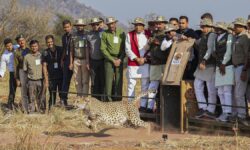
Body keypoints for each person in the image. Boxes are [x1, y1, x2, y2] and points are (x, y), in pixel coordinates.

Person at [125, 17, 151, 112]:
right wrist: (136, 58)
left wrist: (145, 59)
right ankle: (130, 106)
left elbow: (151, 48)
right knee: (131, 85)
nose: (137, 27)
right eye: (136, 25)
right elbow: (127, 49)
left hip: (145, 62)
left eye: (139, 25)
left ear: (143, 26)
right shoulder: (129, 35)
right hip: (133, 63)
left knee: (145, 85)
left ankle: (143, 106)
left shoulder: (149, 34)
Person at [194, 19, 217, 119]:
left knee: (210, 87)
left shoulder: (212, 35)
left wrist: (204, 60)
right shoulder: (204, 36)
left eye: (206, 26)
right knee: (197, 84)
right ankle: (203, 107)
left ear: (210, 26)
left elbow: (210, 49)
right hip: (203, 65)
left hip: (209, 64)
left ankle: (211, 110)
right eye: (202, 27)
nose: (204, 28)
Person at [100, 17, 126, 101]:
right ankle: (109, 101)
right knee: (108, 82)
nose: (111, 25)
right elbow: (103, 48)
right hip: (109, 59)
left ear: (115, 23)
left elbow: (124, 48)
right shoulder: (105, 34)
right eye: (109, 24)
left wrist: (120, 59)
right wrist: (112, 60)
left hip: (119, 59)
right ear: (107, 25)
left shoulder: (121, 32)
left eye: (113, 23)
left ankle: (118, 101)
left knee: (119, 81)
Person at [213, 22, 234, 122]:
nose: (217, 29)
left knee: (227, 90)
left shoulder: (229, 36)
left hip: (227, 66)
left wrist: (224, 63)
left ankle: (228, 112)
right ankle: (224, 112)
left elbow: (229, 51)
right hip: (219, 66)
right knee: (220, 91)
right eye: (216, 27)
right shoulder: (216, 37)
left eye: (219, 27)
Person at [146, 16, 168, 113]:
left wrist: (158, 42)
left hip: (164, 63)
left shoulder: (167, 34)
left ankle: (165, 109)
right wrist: (151, 41)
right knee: (152, 87)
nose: (158, 25)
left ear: (164, 24)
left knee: (166, 87)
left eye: (160, 23)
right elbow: (147, 47)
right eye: (157, 23)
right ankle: (150, 108)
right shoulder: (153, 34)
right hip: (155, 63)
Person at [231, 18, 249, 125]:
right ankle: (238, 114)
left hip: (241, 67)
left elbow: (247, 55)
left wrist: (245, 70)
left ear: (242, 27)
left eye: (237, 25)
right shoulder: (237, 37)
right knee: (235, 93)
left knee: (239, 93)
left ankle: (242, 116)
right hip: (235, 67)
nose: (235, 27)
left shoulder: (245, 38)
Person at [42, 35, 63, 108]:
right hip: (51, 77)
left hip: (61, 76)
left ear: (53, 41)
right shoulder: (45, 52)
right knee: (52, 94)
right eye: (48, 42)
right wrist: (46, 80)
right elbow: (44, 66)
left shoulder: (60, 49)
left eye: (51, 41)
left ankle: (62, 108)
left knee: (62, 94)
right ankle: (51, 109)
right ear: (46, 43)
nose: (50, 43)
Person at [23, 40, 44, 113]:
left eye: (35, 46)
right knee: (31, 97)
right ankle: (31, 111)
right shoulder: (26, 57)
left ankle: (41, 110)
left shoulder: (42, 56)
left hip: (40, 80)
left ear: (38, 46)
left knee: (41, 97)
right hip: (31, 80)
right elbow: (25, 70)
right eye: (32, 46)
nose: (34, 48)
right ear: (30, 47)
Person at [87, 17, 105, 100]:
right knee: (94, 82)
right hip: (93, 61)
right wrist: (87, 62)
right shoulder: (89, 35)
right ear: (91, 25)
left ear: (99, 24)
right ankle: (94, 100)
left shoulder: (103, 33)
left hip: (102, 61)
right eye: (93, 25)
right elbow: (87, 49)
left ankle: (103, 101)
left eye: (97, 24)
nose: (95, 26)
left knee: (102, 81)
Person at [71, 19, 90, 98]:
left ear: (83, 26)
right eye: (78, 25)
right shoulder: (73, 35)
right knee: (77, 80)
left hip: (85, 59)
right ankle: (79, 96)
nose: (80, 27)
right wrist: (71, 62)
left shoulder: (87, 34)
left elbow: (89, 48)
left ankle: (85, 97)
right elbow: (71, 49)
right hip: (76, 59)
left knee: (85, 80)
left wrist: (88, 62)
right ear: (76, 26)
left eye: (81, 25)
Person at [177, 16, 199, 80]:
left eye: (183, 23)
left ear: (187, 23)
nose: (181, 25)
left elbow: (197, 42)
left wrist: (188, 39)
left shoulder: (192, 32)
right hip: (178, 60)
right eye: (180, 23)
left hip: (189, 60)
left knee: (189, 78)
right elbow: (173, 36)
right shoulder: (176, 32)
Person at [14, 34, 30, 113]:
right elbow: (16, 66)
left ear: (25, 41)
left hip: (30, 72)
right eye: (19, 41)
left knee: (31, 90)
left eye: (22, 40)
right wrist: (17, 79)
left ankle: (31, 107)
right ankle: (24, 108)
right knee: (23, 91)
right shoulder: (16, 52)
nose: (21, 42)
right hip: (22, 72)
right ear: (18, 42)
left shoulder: (30, 49)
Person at [0, 38, 16, 110]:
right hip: (12, 73)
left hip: (21, 71)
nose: (9, 47)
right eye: (7, 46)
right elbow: (3, 67)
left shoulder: (17, 47)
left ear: (12, 44)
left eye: (10, 45)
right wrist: (1, 75)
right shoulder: (4, 56)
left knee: (25, 89)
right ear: (5, 46)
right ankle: (10, 106)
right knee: (12, 90)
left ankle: (26, 104)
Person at [60, 20, 73, 106]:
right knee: (65, 80)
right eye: (65, 27)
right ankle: (63, 99)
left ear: (71, 26)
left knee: (78, 82)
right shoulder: (64, 37)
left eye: (68, 27)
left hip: (75, 60)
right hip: (66, 59)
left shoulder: (75, 36)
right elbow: (64, 49)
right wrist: (62, 59)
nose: (66, 29)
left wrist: (72, 62)